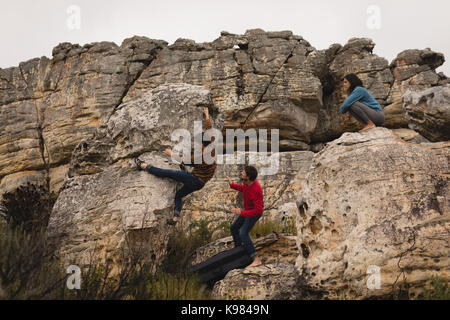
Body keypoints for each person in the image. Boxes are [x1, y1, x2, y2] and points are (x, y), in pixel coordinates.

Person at [134, 107, 216, 225]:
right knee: (178, 195)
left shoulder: (201, 157)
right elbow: (210, 129)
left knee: (168, 173)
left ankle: (143, 165)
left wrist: (171, 153)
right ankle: (175, 218)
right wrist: (207, 115)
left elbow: (183, 160)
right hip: (201, 183)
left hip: (194, 179)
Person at [226, 166, 264, 269]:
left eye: (244, 172)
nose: (241, 172)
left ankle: (256, 259)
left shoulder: (257, 189)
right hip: (247, 211)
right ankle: (240, 251)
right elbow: (244, 189)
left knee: (243, 233)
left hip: (254, 213)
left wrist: (241, 212)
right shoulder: (246, 183)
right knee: (234, 228)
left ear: (249, 176)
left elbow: (258, 210)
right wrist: (232, 185)